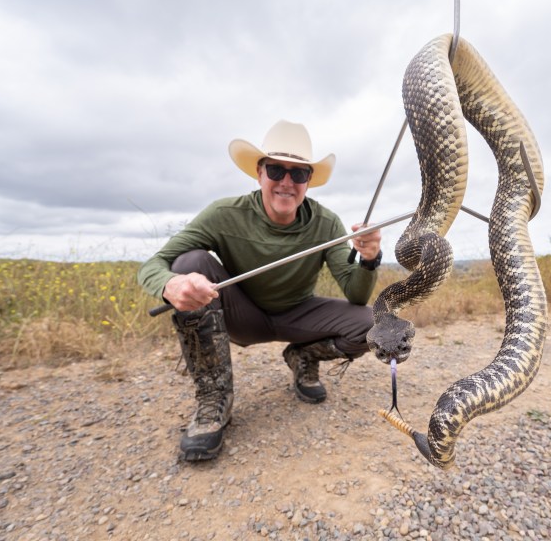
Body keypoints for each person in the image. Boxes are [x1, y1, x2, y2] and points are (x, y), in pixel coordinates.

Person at [137, 120, 383, 461]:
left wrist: (370, 260)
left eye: (298, 174)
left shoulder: (327, 223)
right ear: (259, 173)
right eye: (276, 169)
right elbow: (154, 264)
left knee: (373, 323)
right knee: (188, 262)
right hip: (241, 314)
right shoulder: (224, 214)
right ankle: (213, 398)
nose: (286, 182)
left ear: (309, 180)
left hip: (298, 314)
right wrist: (170, 284)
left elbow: (357, 296)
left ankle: (303, 357)